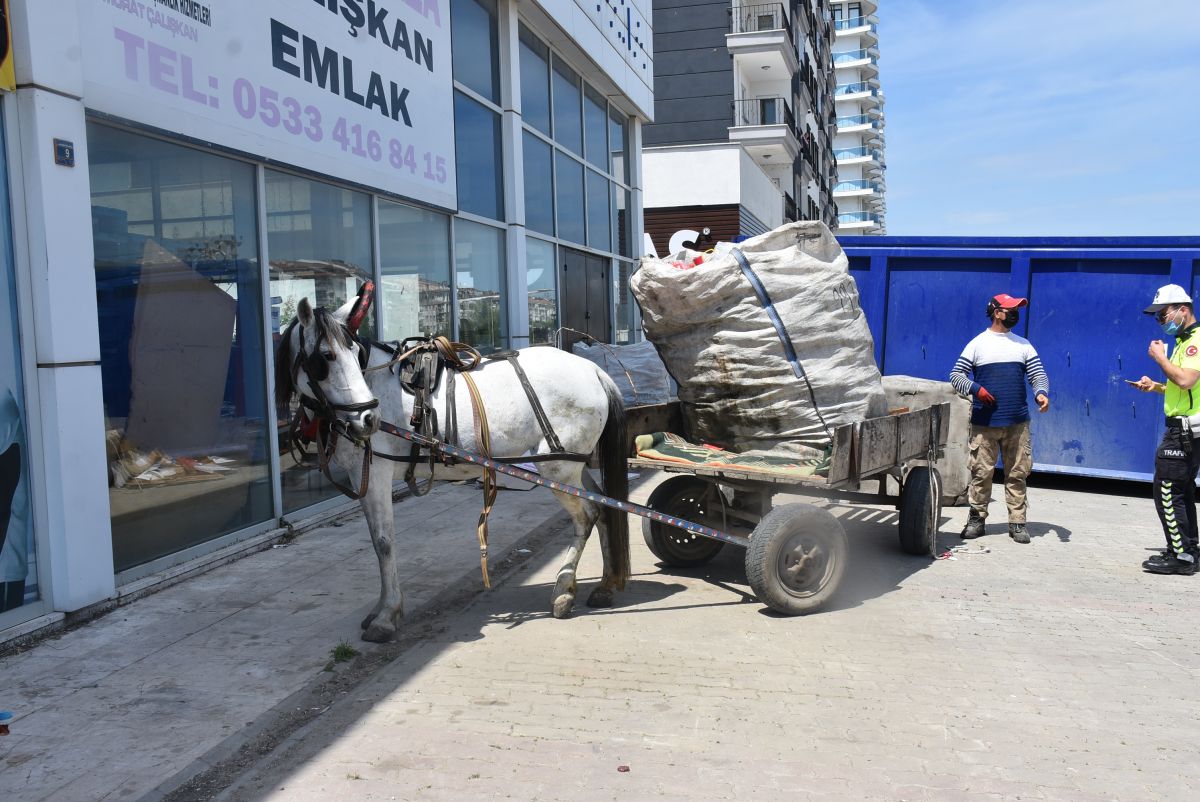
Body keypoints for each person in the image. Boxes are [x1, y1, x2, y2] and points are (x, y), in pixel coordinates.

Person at [949, 294, 1050, 544]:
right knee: (981, 474)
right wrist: (976, 389)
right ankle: (976, 519)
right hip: (985, 425)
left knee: (1017, 474)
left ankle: (1017, 523)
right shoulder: (978, 344)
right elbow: (956, 375)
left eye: (1017, 309)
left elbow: (1038, 374)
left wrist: (1041, 393)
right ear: (997, 312)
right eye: (1011, 309)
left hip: (1017, 423)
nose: (1015, 314)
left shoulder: (1023, 345)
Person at [1134, 284, 1200, 576]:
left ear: (1182, 310)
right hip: (1186, 428)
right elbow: (1183, 389)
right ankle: (1188, 549)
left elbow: (1186, 380)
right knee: (1182, 491)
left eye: (1163, 316)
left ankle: (1181, 556)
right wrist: (1156, 386)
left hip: (1184, 432)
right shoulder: (1186, 341)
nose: (1161, 322)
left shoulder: (1194, 342)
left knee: (1167, 491)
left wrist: (1160, 358)